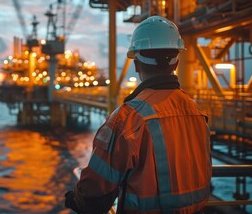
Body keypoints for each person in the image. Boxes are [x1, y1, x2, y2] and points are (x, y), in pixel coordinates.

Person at [65, 15, 212, 214]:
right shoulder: (197, 112)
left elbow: (94, 194)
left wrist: (76, 200)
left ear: (136, 64)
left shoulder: (128, 119)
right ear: (176, 64)